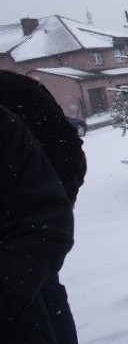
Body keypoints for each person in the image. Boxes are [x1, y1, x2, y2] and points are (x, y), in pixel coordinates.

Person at [0, 70, 87, 343]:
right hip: (31, 245)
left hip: (27, 255)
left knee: (49, 303)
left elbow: (70, 154)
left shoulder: (15, 91)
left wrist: (54, 210)